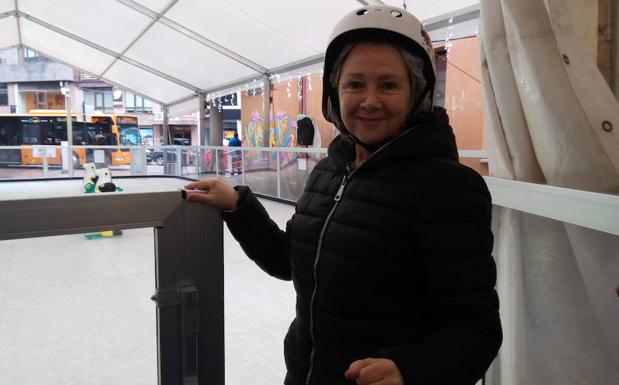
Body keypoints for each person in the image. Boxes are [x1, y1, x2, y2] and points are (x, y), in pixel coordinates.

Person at [185, 5, 501, 385]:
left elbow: (475, 327)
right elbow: (292, 261)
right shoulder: (328, 172)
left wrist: (411, 370)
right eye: (354, 84)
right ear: (335, 92)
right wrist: (239, 206)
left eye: (388, 84)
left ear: (416, 93)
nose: (369, 100)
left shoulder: (448, 188)